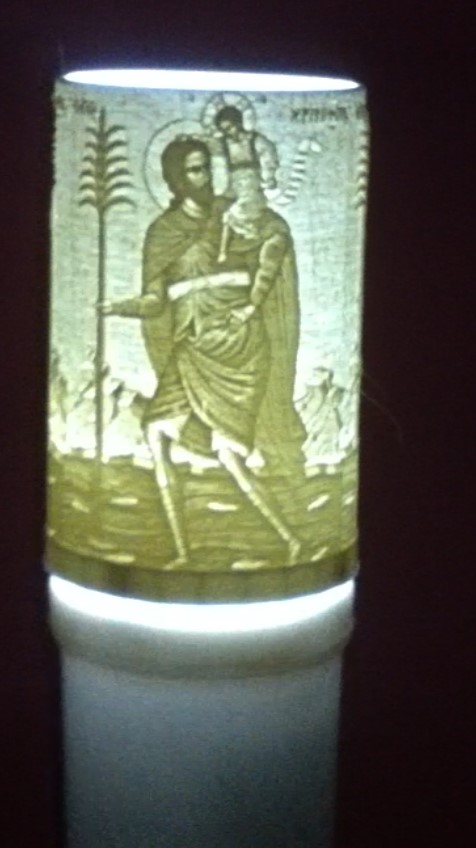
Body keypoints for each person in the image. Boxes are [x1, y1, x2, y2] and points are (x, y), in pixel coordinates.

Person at [101, 138, 304, 568]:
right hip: (192, 343)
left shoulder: (231, 213)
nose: (205, 177)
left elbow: (276, 234)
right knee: (156, 434)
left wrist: (256, 291)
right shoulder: (162, 232)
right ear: (175, 179)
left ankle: (292, 543)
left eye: (206, 167)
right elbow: (155, 301)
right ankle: (181, 554)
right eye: (194, 170)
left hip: (235, 345)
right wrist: (119, 307)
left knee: (230, 455)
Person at [213, 105, 279, 193]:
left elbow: (269, 163)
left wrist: (265, 180)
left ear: (238, 123)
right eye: (223, 130)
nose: (227, 133)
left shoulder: (257, 141)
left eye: (229, 128)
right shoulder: (223, 145)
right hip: (234, 190)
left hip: (256, 188)